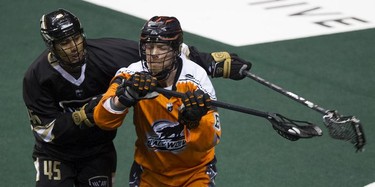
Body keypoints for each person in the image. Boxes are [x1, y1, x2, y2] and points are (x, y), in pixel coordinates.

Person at [23, 9, 250, 187]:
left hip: (99, 150)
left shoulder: (193, 77)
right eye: (64, 43)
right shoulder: (37, 77)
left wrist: (211, 63)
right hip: (58, 153)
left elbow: (169, 49)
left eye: (76, 39)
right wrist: (121, 98)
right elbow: (46, 130)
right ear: (51, 45)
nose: (74, 48)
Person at [93, 16, 221, 186]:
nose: (153, 54)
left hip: (194, 173)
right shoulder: (131, 74)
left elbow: (211, 140)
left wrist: (195, 121)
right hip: (150, 174)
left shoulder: (196, 78)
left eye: (161, 47)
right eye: (149, 47)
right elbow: (102, 119)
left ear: (176, 50)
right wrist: (125, 98)